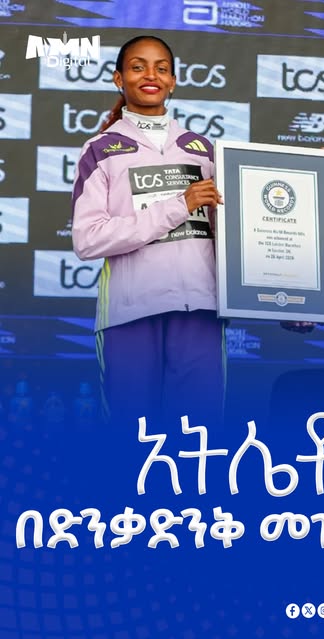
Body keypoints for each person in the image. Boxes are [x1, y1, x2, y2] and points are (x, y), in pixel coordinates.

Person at [72, 36, 224, 428]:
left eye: (161, 68)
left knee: (198, 437)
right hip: (130, 314)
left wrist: (284, 298)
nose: (150, 75)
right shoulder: (100, 150)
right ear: (118, 79)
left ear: (173, 80)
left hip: (199, 311)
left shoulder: (203, 150)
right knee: (130, 435)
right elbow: (88, 239)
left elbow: (229, 237)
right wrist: (178, 205)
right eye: (138, 67)